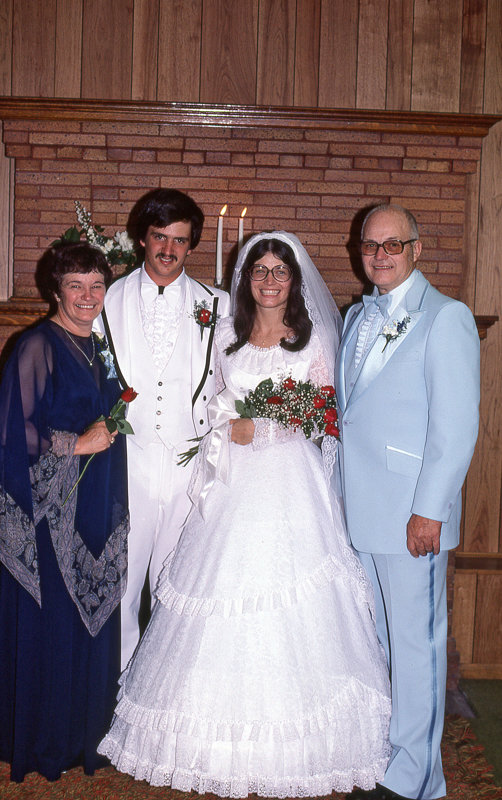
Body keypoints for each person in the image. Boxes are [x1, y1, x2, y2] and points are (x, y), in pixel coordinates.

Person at [98, 231, 391, 797]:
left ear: (295, 281)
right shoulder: (227, 335)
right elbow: (209, 397)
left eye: (280, 271)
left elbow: (324, 415)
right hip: (230, 481)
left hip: (289, 483)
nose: (270, 280)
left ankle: (295, 745)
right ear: (246, 278)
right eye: (260, 270)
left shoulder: (311, 340)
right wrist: (224, 423)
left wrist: (267, 427)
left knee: (291, 602)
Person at [336, 204, 480, 800]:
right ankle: (391, 757)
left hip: (411, 515)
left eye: (393, 244)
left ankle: (418, 780)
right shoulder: (356, 315)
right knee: (384, 646)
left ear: (417, 249)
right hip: (361, 510)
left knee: (418, 649)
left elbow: (456, 428)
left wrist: (431, 510)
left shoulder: (446, 317)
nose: (380, 255)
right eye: (371, 245)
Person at [0, 242, 129, 782]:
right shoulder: (36, 345)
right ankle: (47, 741)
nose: (87, 296)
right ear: (56, 290)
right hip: (50, 511)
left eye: (97, 285)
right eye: (75, 285)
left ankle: (85, 736)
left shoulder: (101, 347)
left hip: (95, 502)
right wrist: (74, 444)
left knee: (88, 622)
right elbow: (14, 429)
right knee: (54, 620)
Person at [97, 188, 230, 669]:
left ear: (192, 245)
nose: (169, 249)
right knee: (120, 587)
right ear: (142, 239)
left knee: (175, 590)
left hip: (188, 469)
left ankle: (161, 693)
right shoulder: (106, 298)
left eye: (180, 240)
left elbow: (234, 380)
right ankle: (114, 694)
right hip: (125, 465)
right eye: (160, 236)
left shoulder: (219, 305)